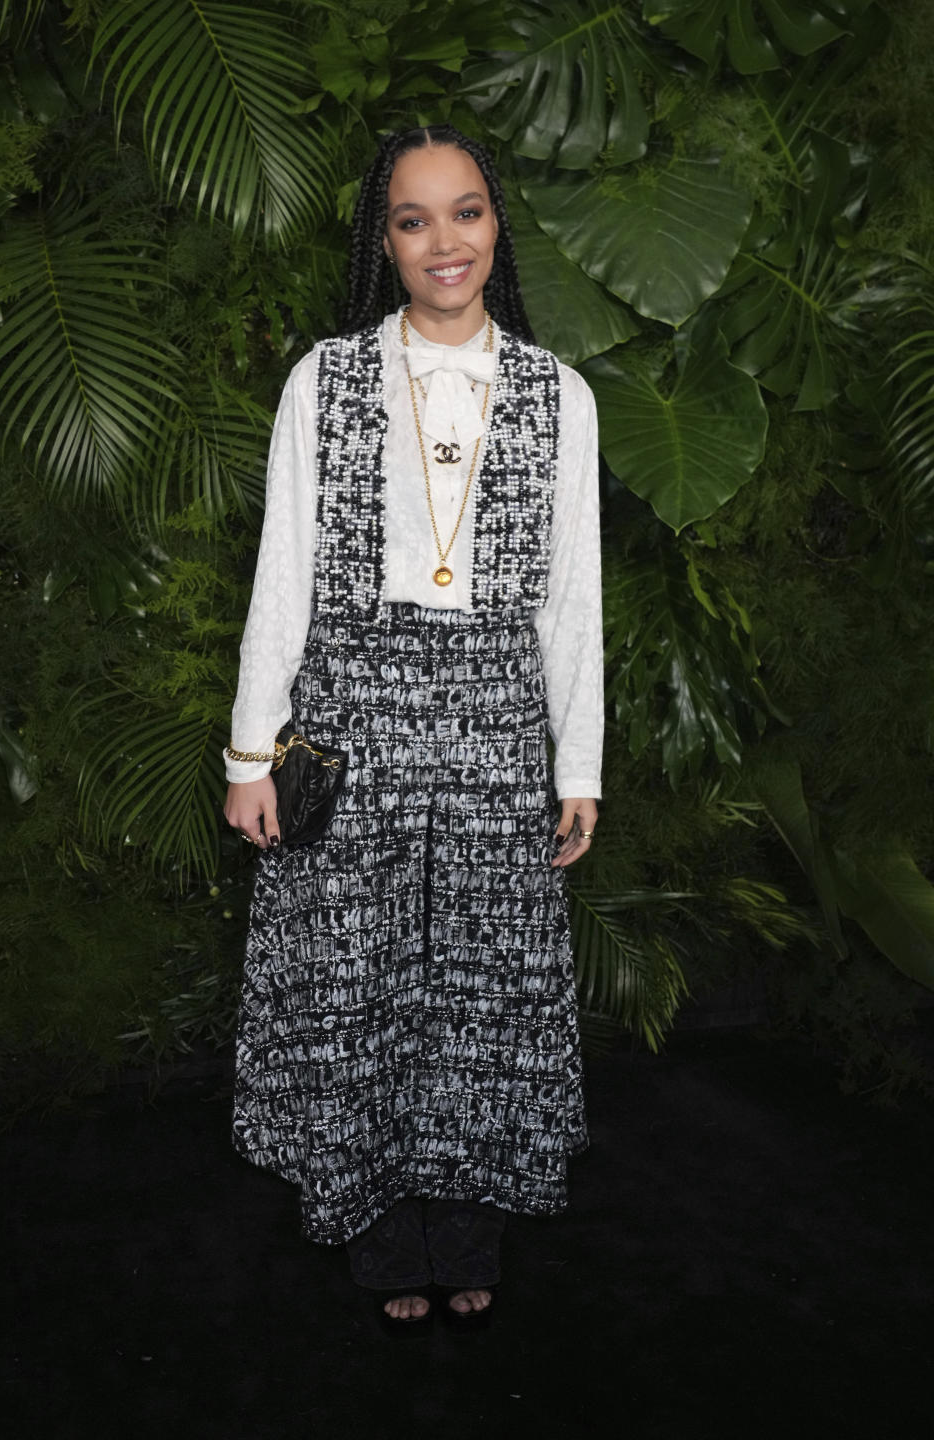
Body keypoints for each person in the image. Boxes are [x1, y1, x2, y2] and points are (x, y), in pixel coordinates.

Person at [223, 124, 603, 1332]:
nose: (447, 241)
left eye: (468, 212)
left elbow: (571, 599)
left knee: (481, 996)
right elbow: (282, 574)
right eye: (414, 218)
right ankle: (384, 1241)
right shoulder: (325, 379)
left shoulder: (557, 394)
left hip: (497, 722)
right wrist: (249, 753)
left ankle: (468, 1227)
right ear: (383, 241)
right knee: (362, 982)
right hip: (351, 715)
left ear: (498, 225)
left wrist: (576, 763)